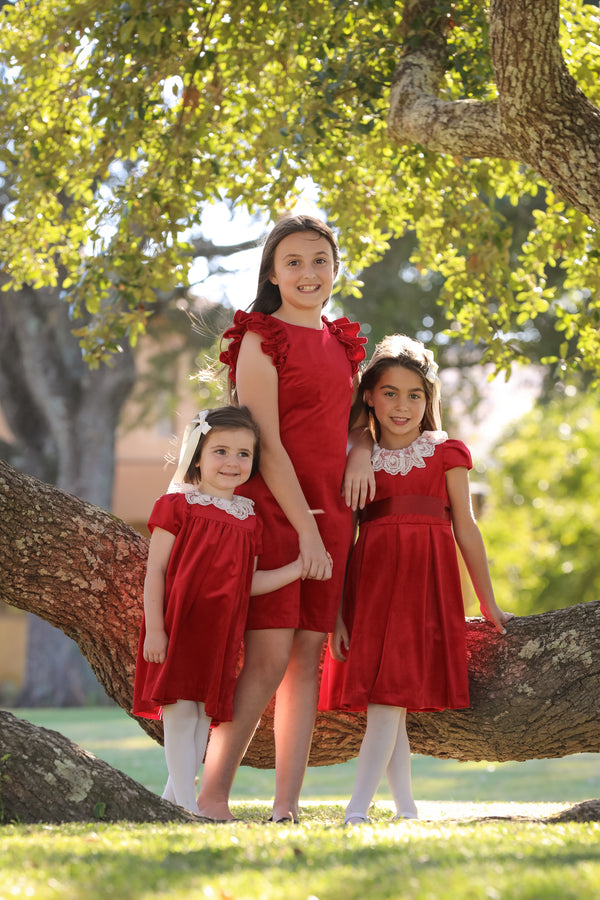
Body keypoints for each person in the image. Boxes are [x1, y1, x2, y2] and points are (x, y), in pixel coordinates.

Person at [195, 214, 369, 823]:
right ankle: (212, 795)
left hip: (334, 517)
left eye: (319, 259)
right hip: (277, 513)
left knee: (306, 660)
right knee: (267, 656)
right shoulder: (259, 339)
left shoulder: (344, 343)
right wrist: (305, 532)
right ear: (272, 271)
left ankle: (286, 807)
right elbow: (263, 443)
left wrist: (365, 451)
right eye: (293, 261)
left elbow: (356, 426)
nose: (307, 272)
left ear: (335, 268)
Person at [318, 334, 514, 825]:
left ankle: (358, 810)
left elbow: (466, 529)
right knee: (390, 704)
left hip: (425, 588)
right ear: (369, 396)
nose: (402, 406)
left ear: (429, 401)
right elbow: (345, 541)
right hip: (373, 590)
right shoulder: (356, 459)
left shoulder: (446, 452)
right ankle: (405, 809)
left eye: (414, 395)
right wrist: (337, 614)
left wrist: (487, 601)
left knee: (389, 702)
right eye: (389, 393)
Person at [132, 405, 303, 815]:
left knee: (200, 720)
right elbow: (155, 571)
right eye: (221, 451)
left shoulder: (250, 519)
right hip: (178, 624)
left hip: (218, 634)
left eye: (244, 454)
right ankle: (188, 807)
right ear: (198, 455)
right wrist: (155, 630)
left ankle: (171, 803)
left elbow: (249, 584)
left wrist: (297, 569)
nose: (232, 462)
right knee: (179, 713)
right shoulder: (177, 506)